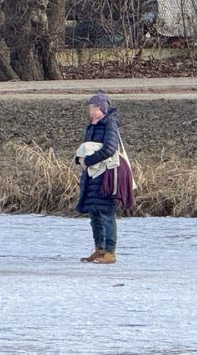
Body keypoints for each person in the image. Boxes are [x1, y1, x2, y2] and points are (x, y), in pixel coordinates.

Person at [75, 92, 120, 265]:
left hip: (105, 176)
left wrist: (88, 160)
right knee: (94, 213)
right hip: (91, 176)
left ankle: (110, 252)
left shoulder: (110, 125)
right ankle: (99, 249)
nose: (90, 111)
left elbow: (109, 148)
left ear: (101, 109)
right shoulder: (92, 126)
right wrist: (79, 160)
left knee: (106, 213)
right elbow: (85, 148)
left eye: (93, 107)